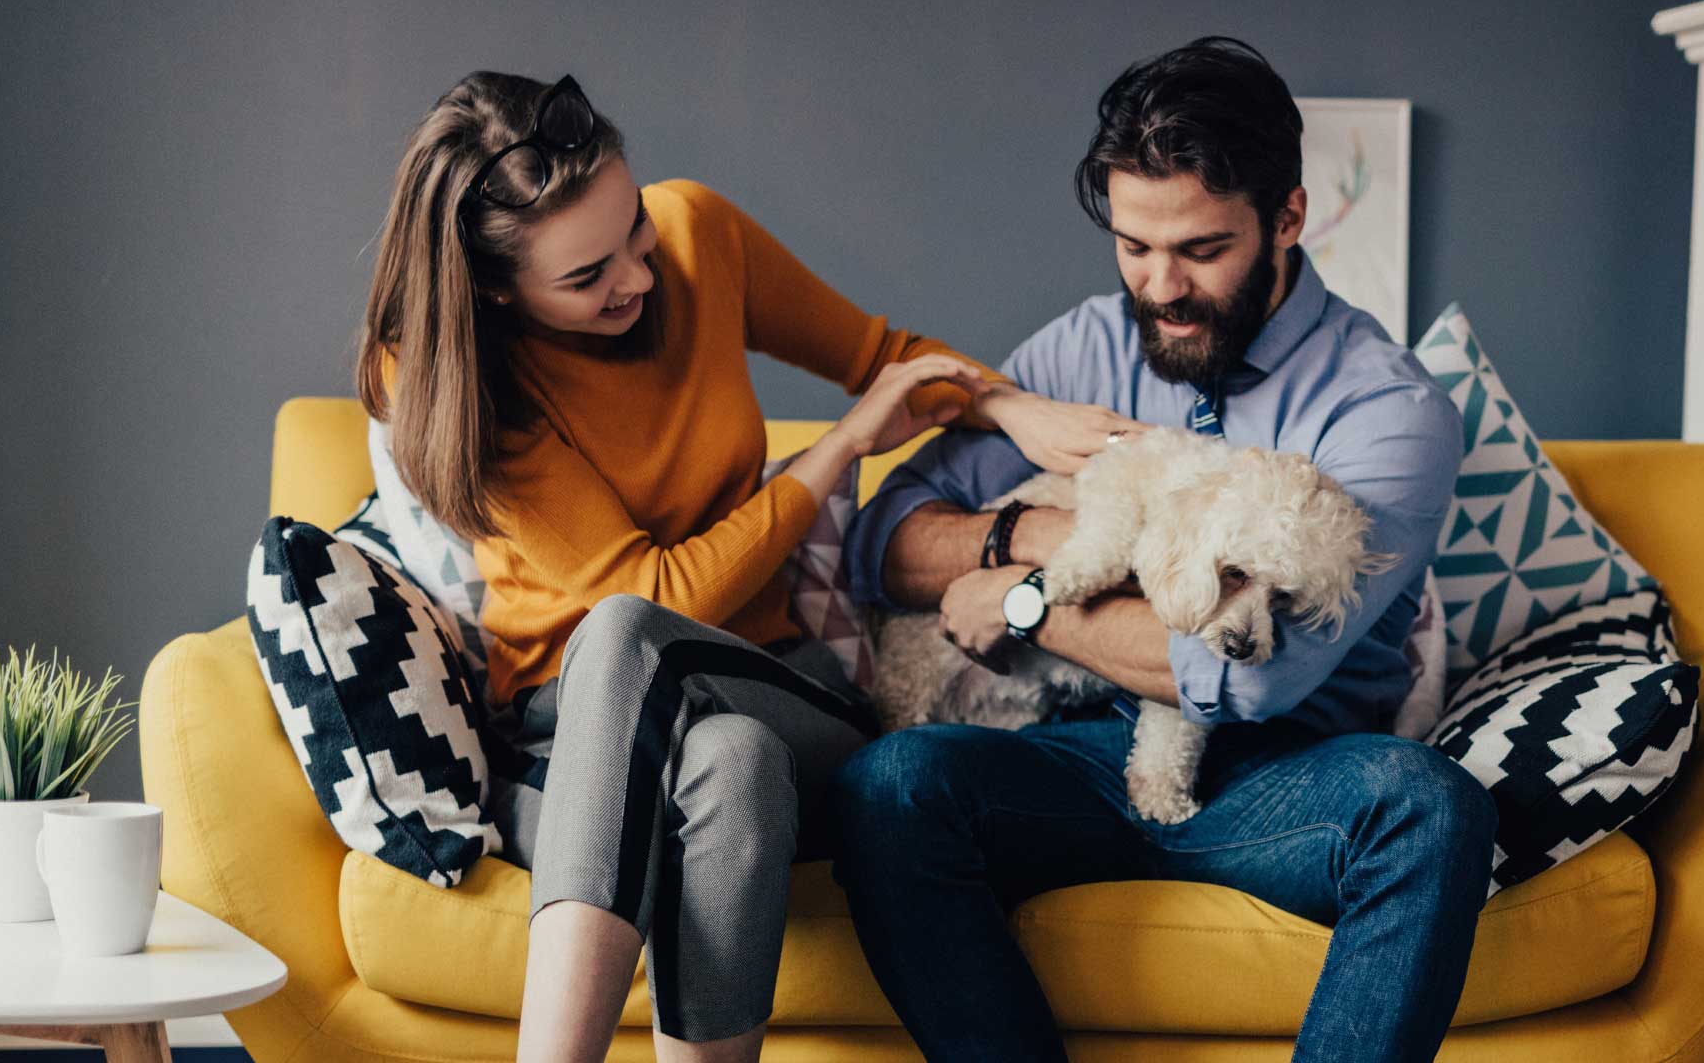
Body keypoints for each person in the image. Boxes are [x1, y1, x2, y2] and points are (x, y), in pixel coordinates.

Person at [354, 71, 1145, 1063]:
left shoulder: (698, 234)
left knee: (672, 672)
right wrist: (835, 453)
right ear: (496, 290)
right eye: (587, 276)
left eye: (631, 229)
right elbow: (654, 594)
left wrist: (1012, 408)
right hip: (570, 734)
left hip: (779, 683)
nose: (636, 278)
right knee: (725, 755)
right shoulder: (449, 376)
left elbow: (884, 353)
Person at [834, 37, 1497, 1063]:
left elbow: (1247, 678)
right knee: (889, 785)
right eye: (1134, 246)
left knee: (1429, 804)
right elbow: (884, 544)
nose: (1160, 286)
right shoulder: (1081, 349)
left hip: (1287, 778)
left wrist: (1027, 598)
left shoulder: (1388, 412)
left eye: (1199, 250)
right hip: (1071, 746)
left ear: (1287, 217)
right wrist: (1029, 531)